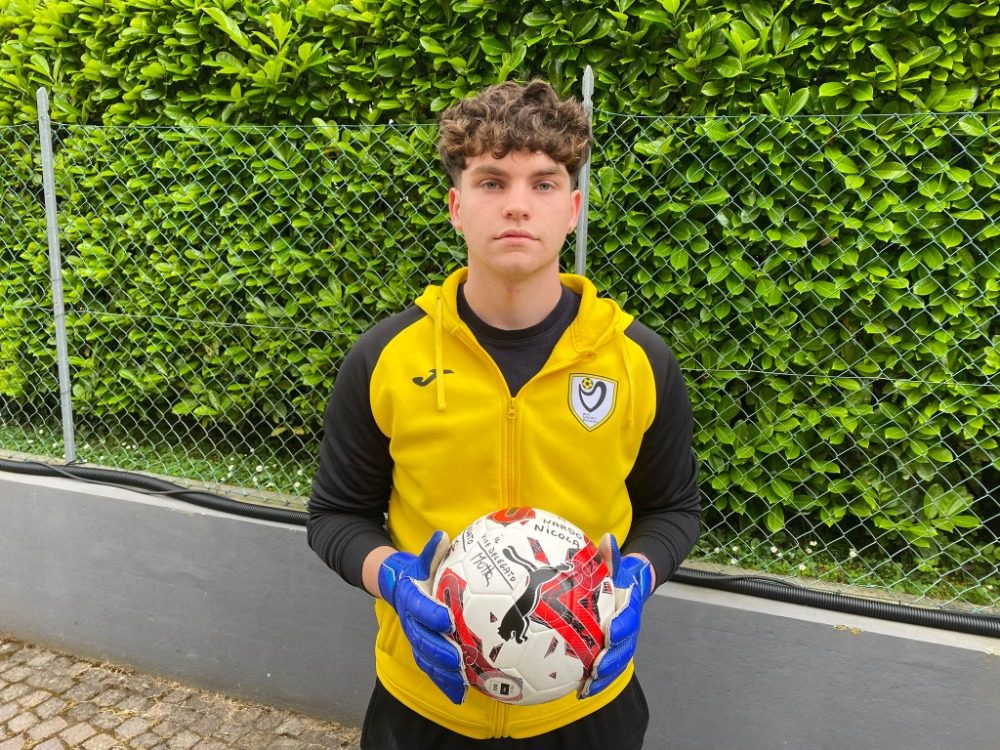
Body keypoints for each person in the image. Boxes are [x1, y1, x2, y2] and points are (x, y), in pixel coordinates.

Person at [307, 79, 700, 749]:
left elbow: (673, 510)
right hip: (425, 706)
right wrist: (393, 580)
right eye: (492, 182)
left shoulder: (639, 358)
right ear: (457, 207)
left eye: (543, 184)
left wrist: (638, 578)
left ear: (572, 209)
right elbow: (335, 517)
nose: (518, 205)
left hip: (586, 707)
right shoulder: (385, 357)